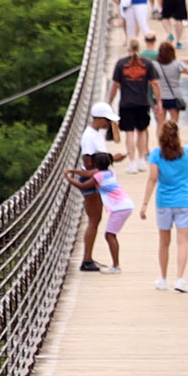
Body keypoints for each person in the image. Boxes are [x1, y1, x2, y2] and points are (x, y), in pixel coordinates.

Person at [145, 119, 188, 292]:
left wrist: (144, 205)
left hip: (163, 202)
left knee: (164, 242)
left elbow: (152, 179)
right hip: (184, 201)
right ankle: (180, 279)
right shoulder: (187, 153)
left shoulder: (156, 154)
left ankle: (163, 279)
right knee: (183, 242)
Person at [65, 152, 133, 272]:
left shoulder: (98, 176)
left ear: (95, 164)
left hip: (120, 208)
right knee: (110, 235)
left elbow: (83, 185)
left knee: (110, 235)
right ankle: (115, 265)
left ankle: (116, 266)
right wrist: (72, 170)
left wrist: (68, 178)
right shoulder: (109, 172)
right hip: (125, 205)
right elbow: (86, 173)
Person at [109, 42, 163, 170]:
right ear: (139, 48)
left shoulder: (121, 64)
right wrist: (159, 102)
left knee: (129, 133)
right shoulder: (147, 63)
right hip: (142, 102)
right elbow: (155, 84)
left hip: (126, 103)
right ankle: (141, 160)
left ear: (128, 49)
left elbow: (115, 86)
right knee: (142, 131)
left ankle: (132, 162)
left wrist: (109, 102)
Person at [76, 103, 117, 268]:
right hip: (91, 180)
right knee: (94, 219)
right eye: (107, 120)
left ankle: (89, 258)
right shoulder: (89, 136)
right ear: (99, 118)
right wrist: (100, 175)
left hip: (96, 179)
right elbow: (87, 161)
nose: (108, 123)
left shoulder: (95, 134)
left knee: (96, 219)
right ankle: (86, 260)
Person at [154, 40, 188, 131]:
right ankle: (172, 141)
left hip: (160, 98)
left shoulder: (155, 65)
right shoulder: (177, 64)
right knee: (174, 124)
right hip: (174, 97)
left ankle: (161, 142)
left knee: (160, 124)